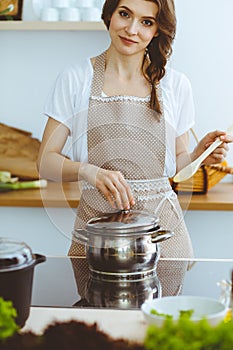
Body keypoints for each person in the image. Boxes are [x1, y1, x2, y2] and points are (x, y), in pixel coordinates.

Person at [37, 0, 232, 259]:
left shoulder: (175, 85)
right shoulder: (76, 78)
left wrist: (200, 155)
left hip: (163, 235)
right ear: (109, 15)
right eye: (125, 14)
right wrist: (88, 172)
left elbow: (177, 166)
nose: (131, 29)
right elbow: (45, 162)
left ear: (157, 30)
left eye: (146, 22)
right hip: (96, 235)